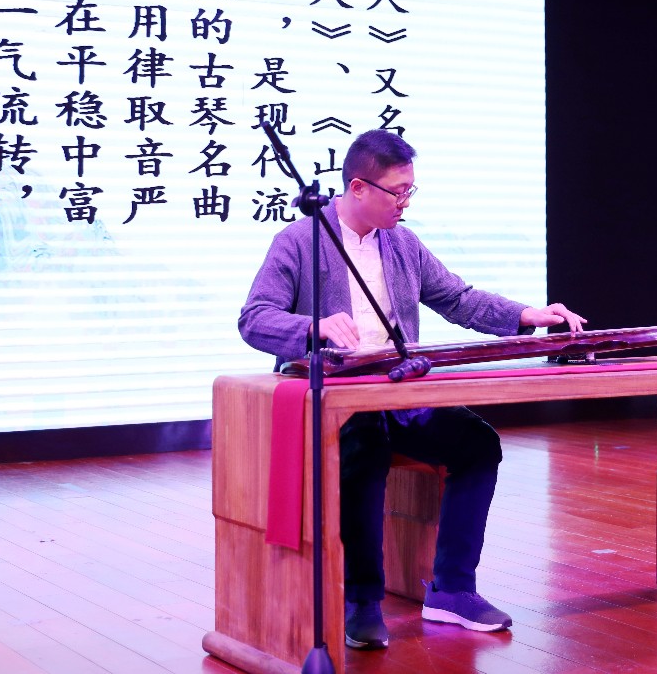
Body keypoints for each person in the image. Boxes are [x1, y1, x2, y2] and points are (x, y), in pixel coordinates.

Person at [238, 128, 586, 650]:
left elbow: (458, 299)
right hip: (337, 400)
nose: (405, 202)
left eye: (410, 190)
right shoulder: (300, 241)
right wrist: (314, 327)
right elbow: (254, 318)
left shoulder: (402, 243)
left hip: (398, 391)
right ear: (358, 188)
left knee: (477, 443)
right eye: (397, 192)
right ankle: (361, 601)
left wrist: (527, 315)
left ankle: (452, 590)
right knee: (364, 449)